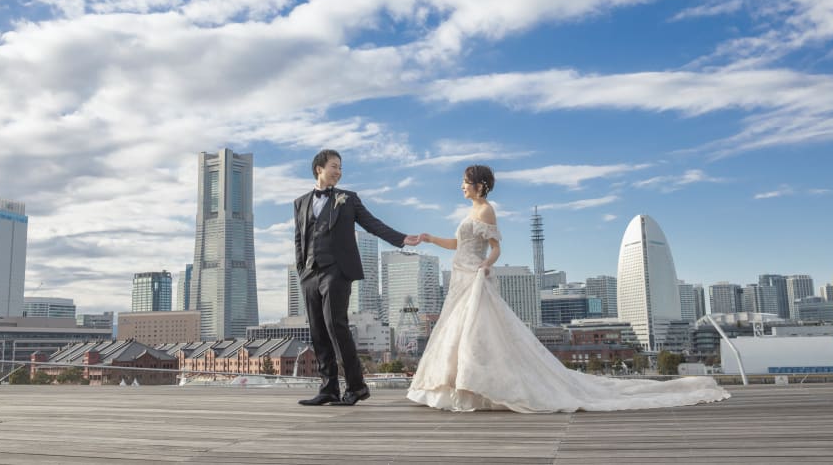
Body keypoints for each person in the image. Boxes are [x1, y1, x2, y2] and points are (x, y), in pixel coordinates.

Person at [407, 164, 730, 413]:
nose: (461, 186)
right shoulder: (469, 212)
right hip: (461, 276)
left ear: (480, 185)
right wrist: (430, 239)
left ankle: (472, 388)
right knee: (458, 332)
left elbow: (495, 247)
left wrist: (487, 264)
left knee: (476, 332)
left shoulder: (486, 210)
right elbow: (458, 243)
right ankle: (460, 387)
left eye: (465, 182)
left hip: (476, 276)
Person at [295, 149, 420, 406]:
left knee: (335, 325)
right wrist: (302, 271)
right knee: (317, 330)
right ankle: (328, 388)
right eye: (334, 166)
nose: (339, 172)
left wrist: (401, 239)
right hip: (310, 272)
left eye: (340, 167)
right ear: (319, 168)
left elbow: (371, 223)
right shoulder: (301, 202)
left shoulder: (348, 199)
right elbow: (299, 239)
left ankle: (356, 387)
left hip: (337, 270)